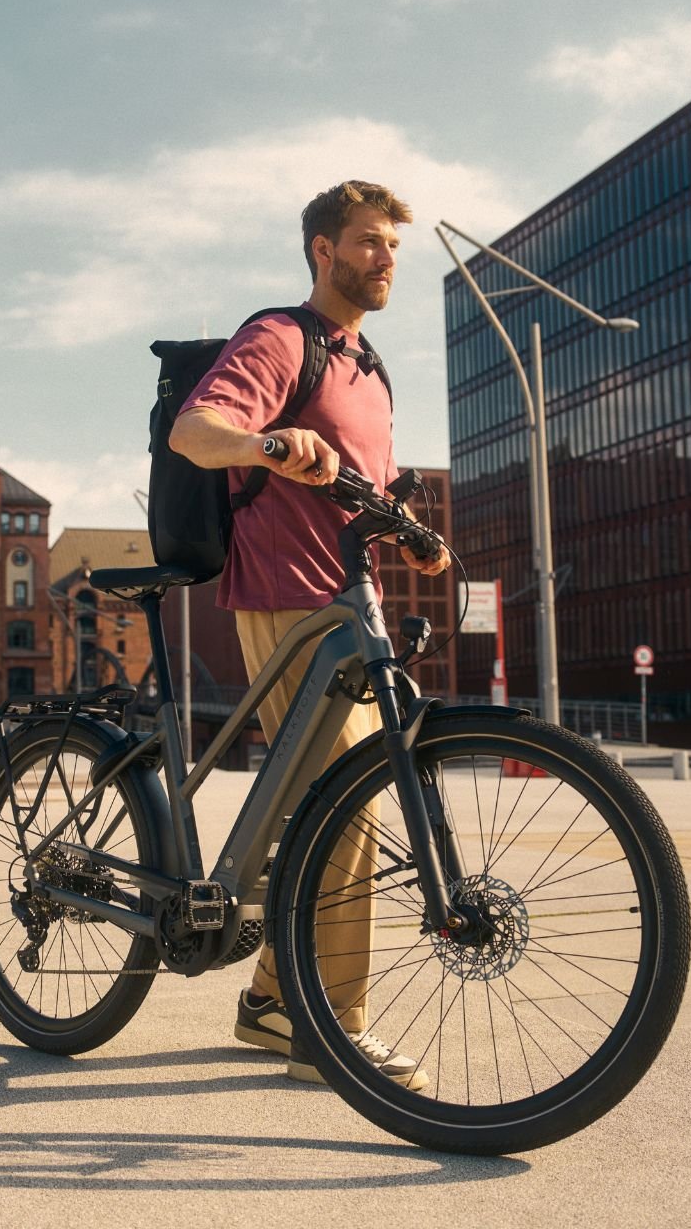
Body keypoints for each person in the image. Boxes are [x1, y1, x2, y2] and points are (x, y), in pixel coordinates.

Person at [168, 180, 451, 1090]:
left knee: (335, 806)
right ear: (322, 250)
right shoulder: (281, 338)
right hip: (287, 597)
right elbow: (197, 431)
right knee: (351, 804)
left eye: (394, 246)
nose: (386, 259)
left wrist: (418, 527)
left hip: (349, 600)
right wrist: (269, 445)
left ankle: (270, 998)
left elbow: (376, 482)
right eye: (368, 241)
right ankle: (327, 1028)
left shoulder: (370, 369)